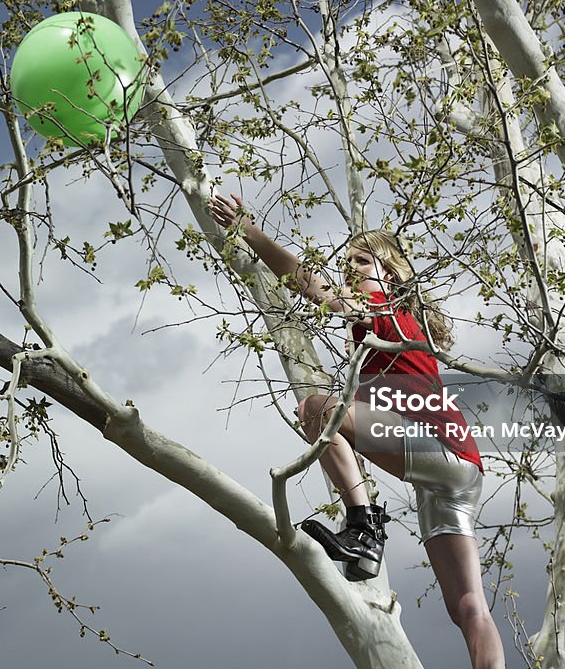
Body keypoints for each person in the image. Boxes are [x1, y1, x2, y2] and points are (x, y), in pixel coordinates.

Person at [208, 193, 505, 669]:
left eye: (360, 262)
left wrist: (254, 234)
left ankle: (364, 528)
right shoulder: (395, 326)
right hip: (458, 474)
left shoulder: (383, 308)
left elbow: (311, 285)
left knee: (315, 409)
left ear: (388, 272)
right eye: (346, 263)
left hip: (441, 450)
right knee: (468, 607)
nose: (349, 270)